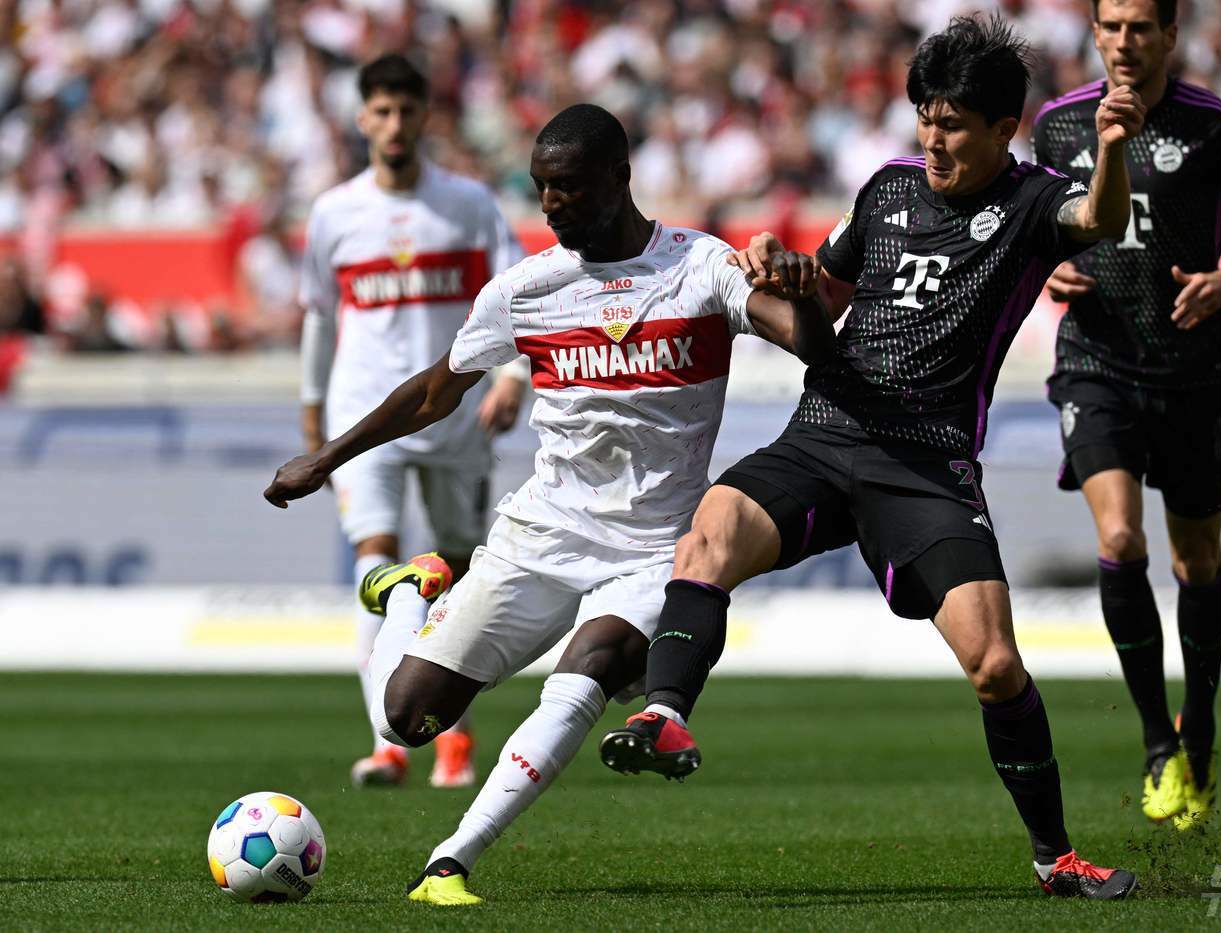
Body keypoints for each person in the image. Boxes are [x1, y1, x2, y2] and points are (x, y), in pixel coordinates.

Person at [600, 16, 1144, 899]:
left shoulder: (1037, 201)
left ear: (1004, 129)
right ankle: (664, 713)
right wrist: (781, 276)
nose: (934, 138)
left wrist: (1113, 151)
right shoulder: (887, 189)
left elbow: (1099, 216)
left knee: (996, 665)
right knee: (710, 532)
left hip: (926, 465)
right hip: (823, 433)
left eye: (956, 122)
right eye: (926, 116)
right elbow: (822, 297)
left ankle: (1057, 857)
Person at [265, 103, 834, 905]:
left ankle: (449, 860)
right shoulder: (528, 288)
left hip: (651, 546)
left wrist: (802, 289)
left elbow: (810, 342)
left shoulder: (699, 266)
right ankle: (407, 593)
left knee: (588, 671)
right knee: (404, 718)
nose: (553, 204)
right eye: (541, 189)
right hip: (543, 531)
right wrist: (326, 458)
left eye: (568, 187)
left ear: (620, 176)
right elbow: (436, 390)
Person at [1031, 0, 1221, 830]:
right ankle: (1158, 741)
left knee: (1196, 559)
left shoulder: (1216, 126)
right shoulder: (1055, 126)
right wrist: (1051, 271)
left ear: (1169, 36)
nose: (1124, 41)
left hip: (1193, 373)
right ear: (1094, 32)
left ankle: (1204, 726)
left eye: (1140, 27)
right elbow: (1033, 230)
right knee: (1119, 539)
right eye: (1110, 25)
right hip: (1095, 364)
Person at [298, 54, 529, 790]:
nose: (395, 124)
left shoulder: (467, 204)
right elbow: (319, 319)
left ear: (425, 115)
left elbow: (519, 292)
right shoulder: (334, 213)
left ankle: (448, 732)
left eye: (407, 110)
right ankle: (388, 740)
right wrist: (314, 411)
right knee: (378, 559)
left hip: (452, 413)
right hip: (364, 413)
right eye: (382, 111)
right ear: (363, 118)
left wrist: (513, 373)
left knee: (457, 570)